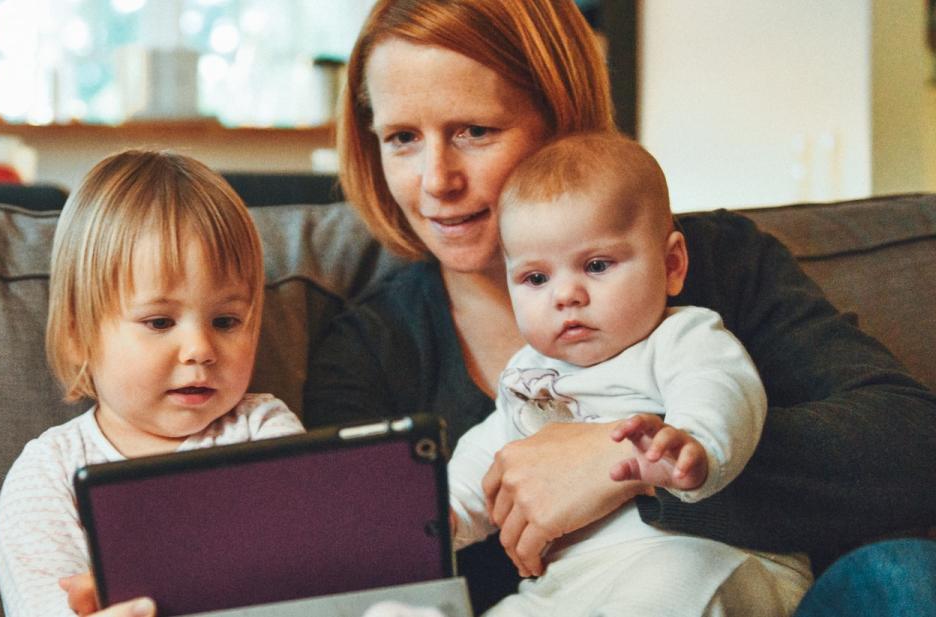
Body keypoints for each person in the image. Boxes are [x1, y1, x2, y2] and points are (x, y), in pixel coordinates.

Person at [302, 0, 936, 613]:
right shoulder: (367, 351)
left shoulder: (714, 264)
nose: (437, 180)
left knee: (902, 577)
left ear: (561, 117)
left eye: (475, 131)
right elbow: (361, 567)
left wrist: (626, 462)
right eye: (403, 138)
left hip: (720, 590)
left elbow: (911, 446)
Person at [445, 132, 809, 615]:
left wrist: (691, 445)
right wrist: (441, 514)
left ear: (671, 264)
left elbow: (722, 390)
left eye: (596, 265)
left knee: (662, 593)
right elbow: (492, 454)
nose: (565, 295)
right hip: (571, 582)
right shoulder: (528, 375)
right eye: (536, 278)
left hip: (701, 555)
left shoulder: (681, 338)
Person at [0, 149, 305, 617]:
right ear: (79, 336)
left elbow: (310, 570)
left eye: (225, 320)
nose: (200, 348)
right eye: (160, 322)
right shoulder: (49, 473)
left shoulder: (263, 431)